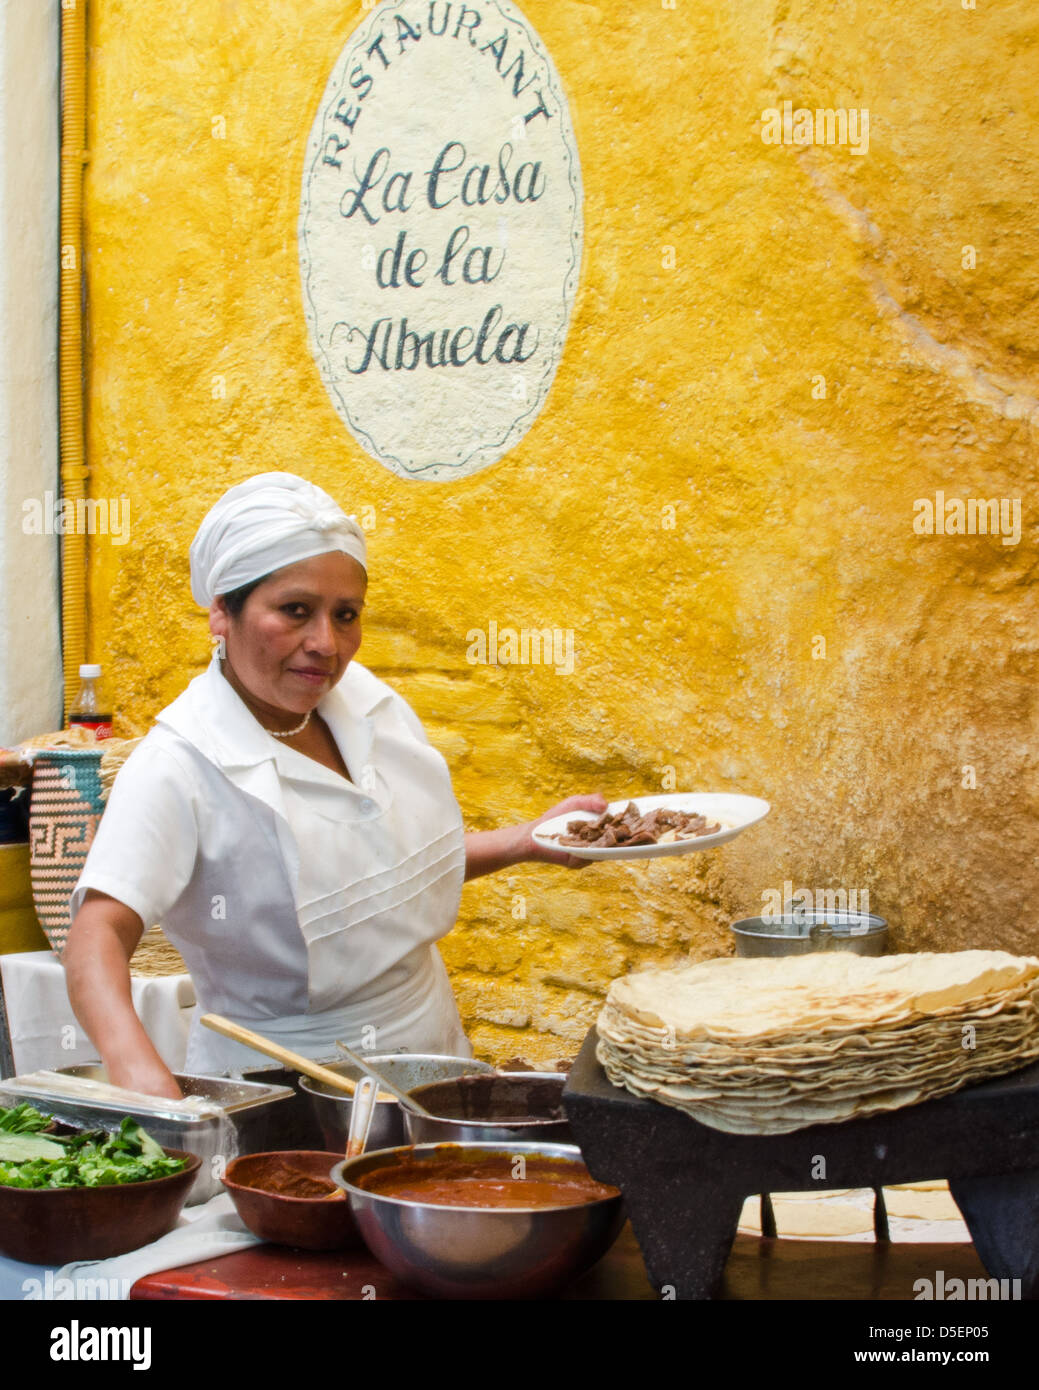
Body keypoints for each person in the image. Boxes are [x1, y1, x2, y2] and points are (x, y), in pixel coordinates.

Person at [63, 473, 605, 1098]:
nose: (326, 644)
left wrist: (525, 842)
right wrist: (135, 1066)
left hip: (432, 1052)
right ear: (221, 611)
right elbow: (96, 936)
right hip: (282, 1087)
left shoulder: (369, 707)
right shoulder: (179, 765)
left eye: (345, 615)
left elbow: (384, 876)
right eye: (295, 610)